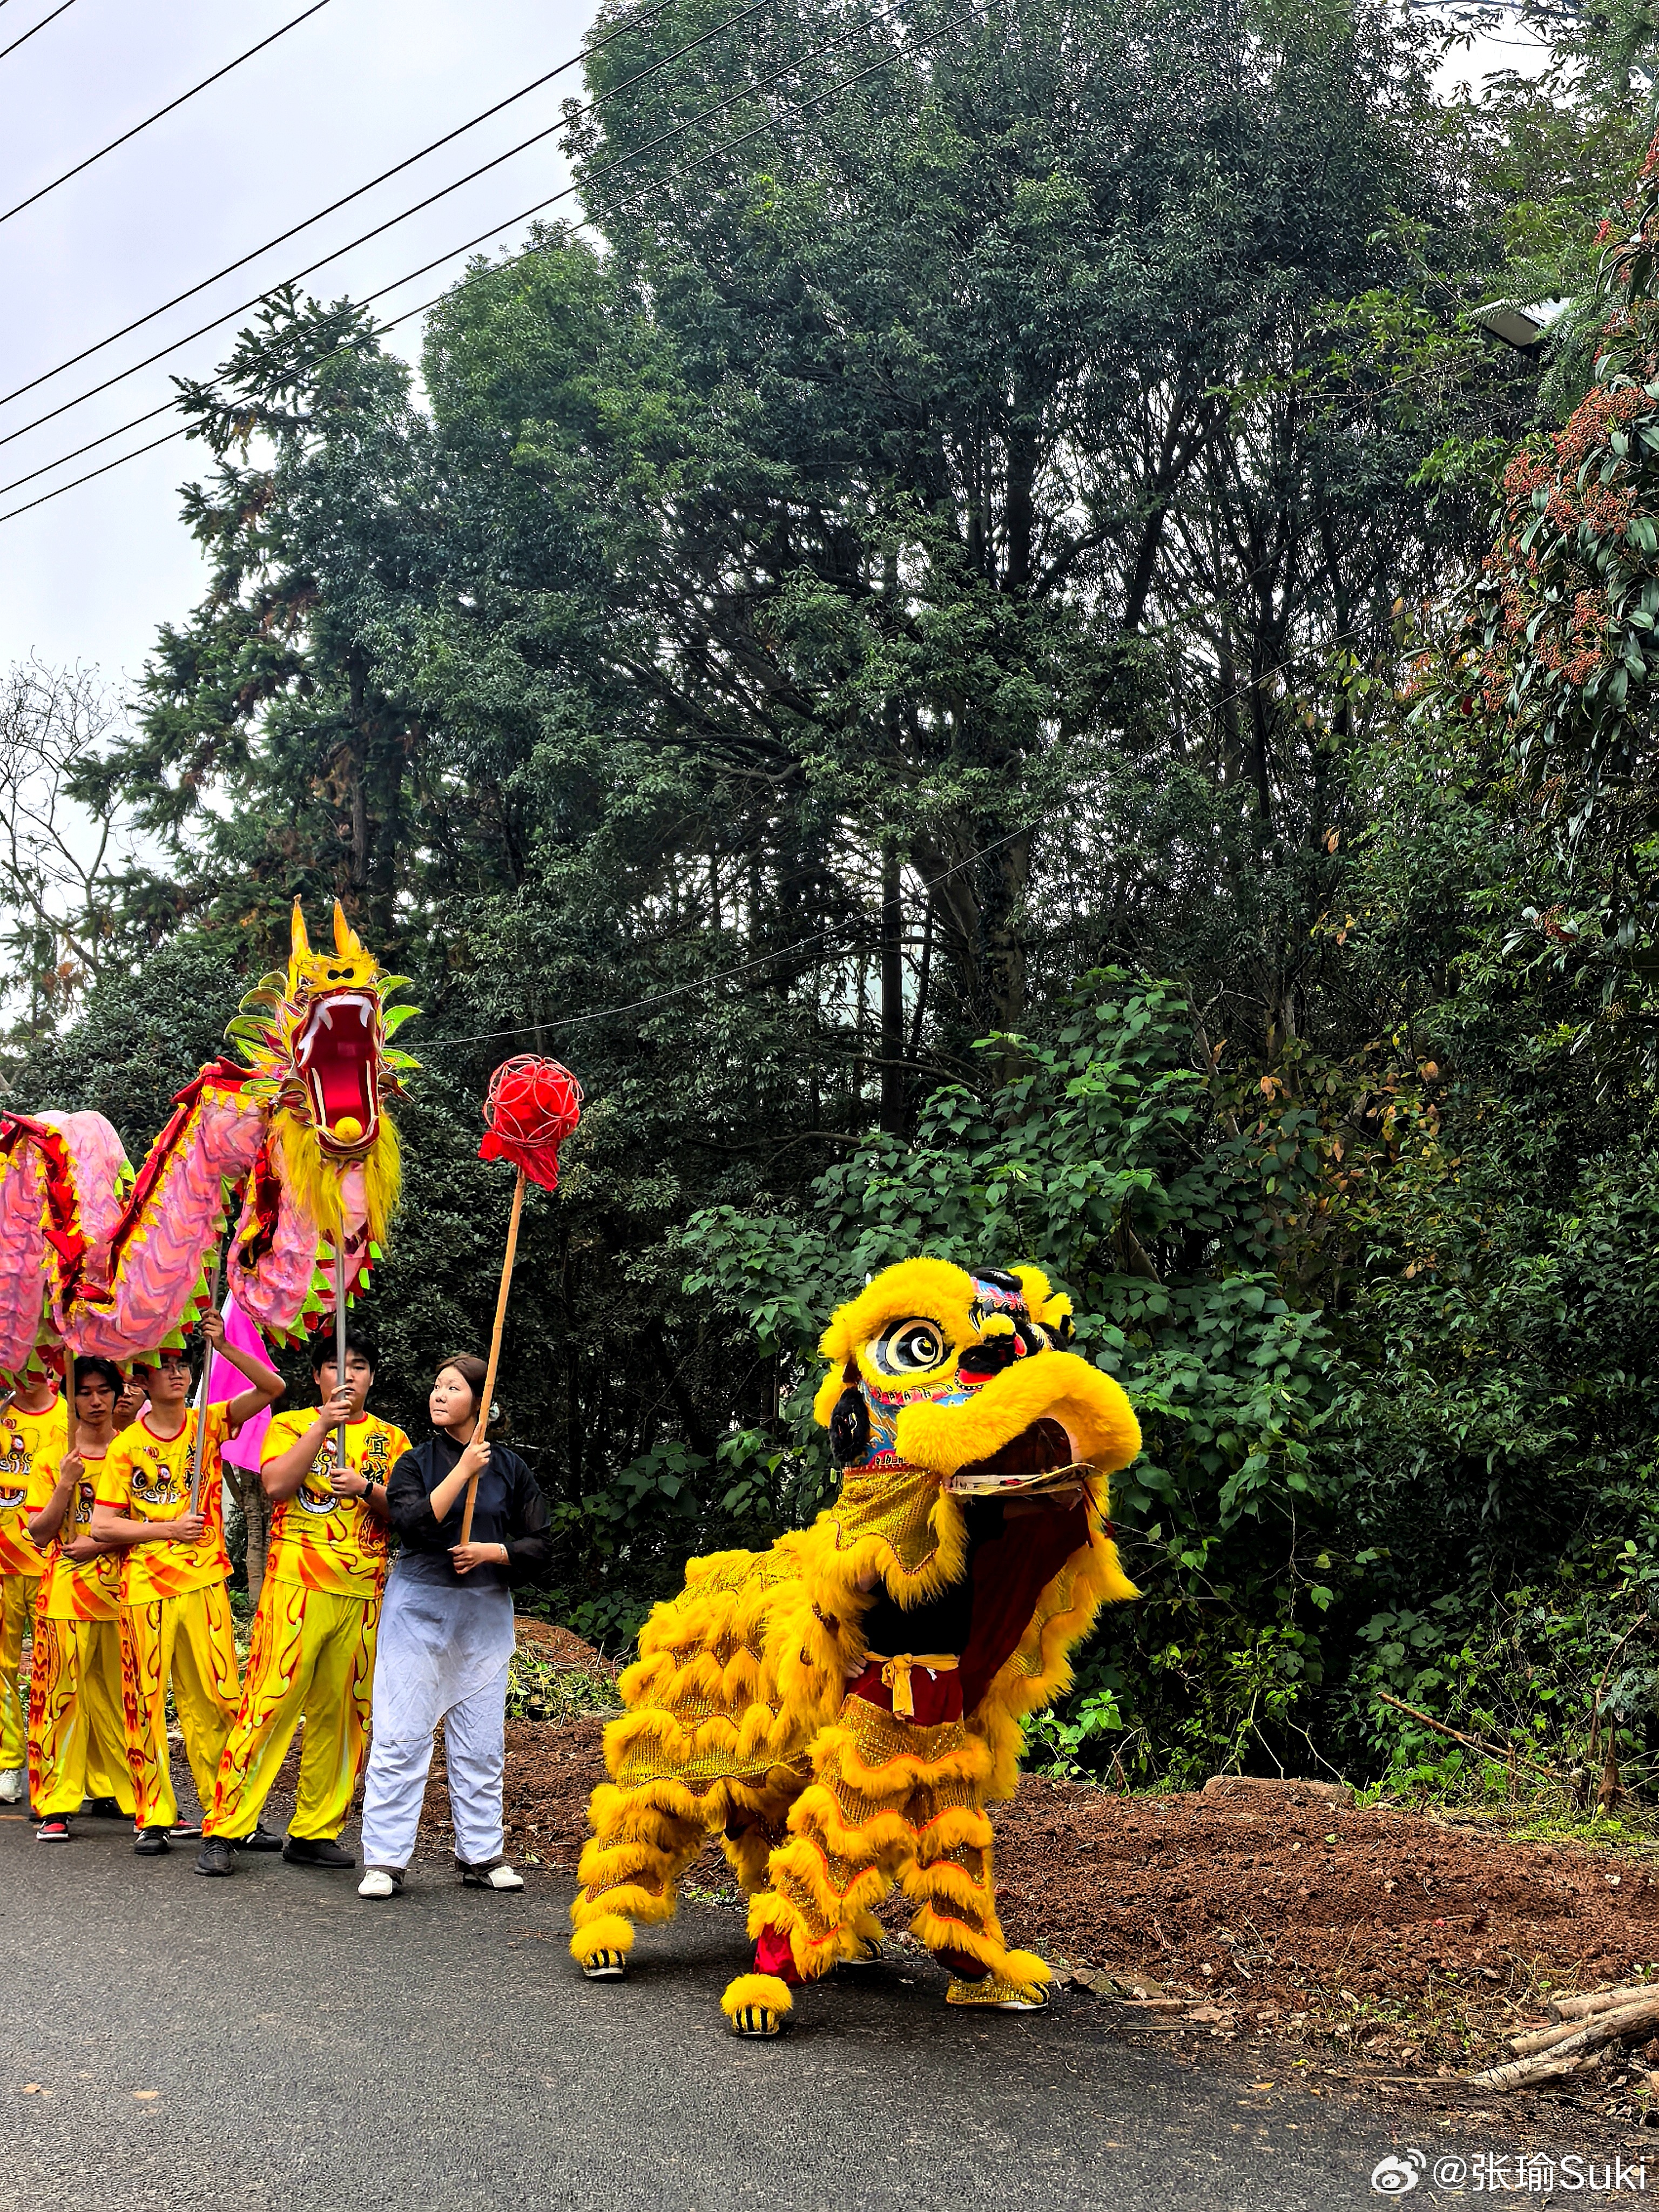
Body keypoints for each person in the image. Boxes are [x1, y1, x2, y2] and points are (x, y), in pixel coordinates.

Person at [198, 1328, 412, 1876]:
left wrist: (366, 1487)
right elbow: (275, 1486)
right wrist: (322, 1425)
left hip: (363, 1593)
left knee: (343, 1719)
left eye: (360, 1366)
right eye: (337, 1366)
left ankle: (314, 1830)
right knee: (268, 1706)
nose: (349, 1376)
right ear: (319, 1376)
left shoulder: (394, 1439)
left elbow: (407, 1513)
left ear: (372, 1376)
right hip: (295, 1588)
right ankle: (226, 1826)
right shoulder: (291, 1423)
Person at [356, 1353, 549, 1899]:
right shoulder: (415, 1464)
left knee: (481, 1740)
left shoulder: (511, 1468)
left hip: (483, 1615)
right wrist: (463, 1471)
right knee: (401, 1732)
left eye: (453, 1386)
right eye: (436, 1385)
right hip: (418, 1611)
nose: (439, 1394)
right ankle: (386, 1859)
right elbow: (412, 1525)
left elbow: (541, 1545)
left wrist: (493, 1551)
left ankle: (482, 1853)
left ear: (481, 1403)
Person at [91, 1312, 285, 1854]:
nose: (177, 1374)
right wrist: (166, 1529)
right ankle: (152, 1816)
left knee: (219, 1699)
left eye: (183, 1365)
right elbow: (103, 1526)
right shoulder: (127, 1446)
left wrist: (224, 1344)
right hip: (146, 1592)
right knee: (145, 1701)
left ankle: (229, 1815)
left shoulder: (211, 1420)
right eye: (166, 1368)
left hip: (205, 1586)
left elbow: (273, 1387)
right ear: (145, 1382)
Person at [28, 1356, 141, 1839]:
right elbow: (38, 1532)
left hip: (125, 1596)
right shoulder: (55, 1456)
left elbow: (153, 1527)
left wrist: (102, 1543)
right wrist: (65, 1485)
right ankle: (55, 1802)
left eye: (103, 1392)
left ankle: (129, 1793)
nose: (95, 1402)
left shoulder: (132, 1451)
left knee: (123, 1700)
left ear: (118, 1396)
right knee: (59, 1700)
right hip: (65, 1598)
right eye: (85, 1392)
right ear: (71, 1399)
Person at [0, 1364, 67, 1803]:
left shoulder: (73, 1419)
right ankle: (8, 1763)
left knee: (56, 1671)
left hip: (54, 1568)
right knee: (2, 1669)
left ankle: (58, 1770)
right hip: (3, 1566)